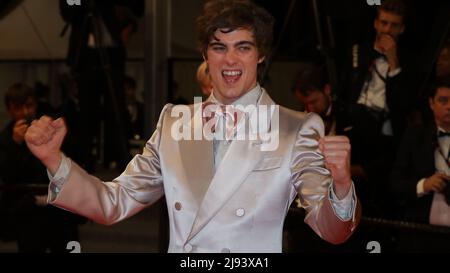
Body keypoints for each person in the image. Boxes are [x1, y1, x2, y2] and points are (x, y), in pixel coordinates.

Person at [26, 0, 360, 253]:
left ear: (261, 55)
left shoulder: (296, 127)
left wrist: (342, 183)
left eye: (243, 48)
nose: (230, 60)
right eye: (219, 48)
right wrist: (54, 160)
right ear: (205, 54)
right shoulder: (174, 121)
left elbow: (334, 232)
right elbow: (115, 202)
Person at [59, 0, 144, 171]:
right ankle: (85, 160)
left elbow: (137, 8)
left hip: (111, 54)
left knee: (116, 108)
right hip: (85, 55)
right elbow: (67, 9)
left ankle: (120, 158)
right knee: (87, 111)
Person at [0, 83, 82, 252]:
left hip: (60, 208)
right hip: (28, 210)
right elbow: (7, 176)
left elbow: (73, 159)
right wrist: (15, 144)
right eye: (17, 108)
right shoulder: (6, 138)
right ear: (9, 110)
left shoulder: (49, 127)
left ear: (35, 105)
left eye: (29, 106)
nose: (25, 112)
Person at [390, 76, 450, 251]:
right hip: (422, 235)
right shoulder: (415, 137)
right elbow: (394, 184)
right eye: (443, 100)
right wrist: (424, 185)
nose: (449, 106)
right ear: (431, 103)